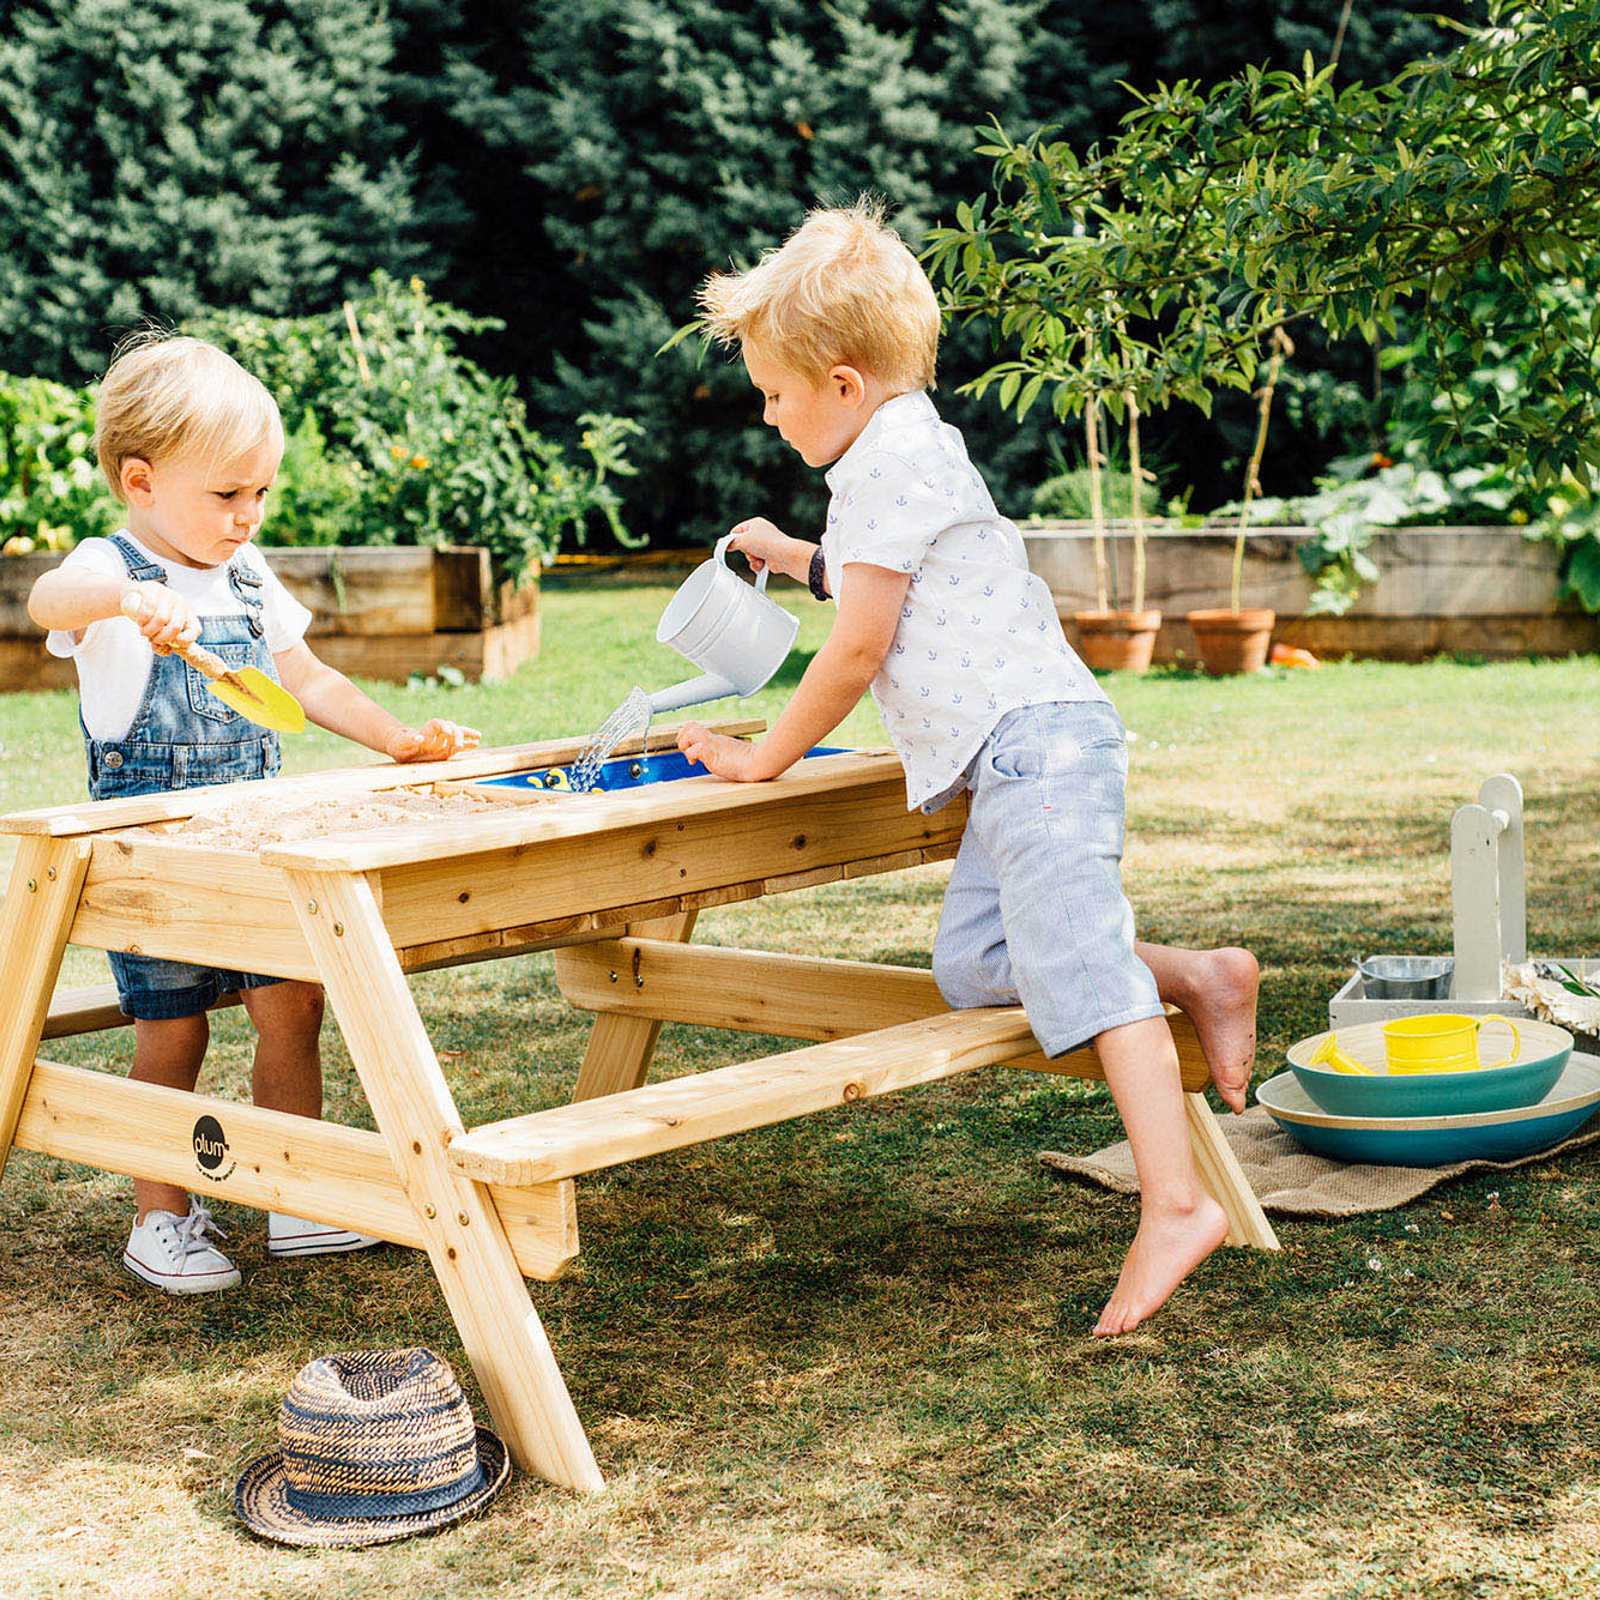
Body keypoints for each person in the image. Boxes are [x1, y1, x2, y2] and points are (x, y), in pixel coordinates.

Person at [677, 201, 1259, 1335]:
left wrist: (762, 760)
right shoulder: (897, 455)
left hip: (1034, 745)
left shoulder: (888, 463)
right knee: (980, 964)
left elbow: (859, 643)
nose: (766, 412)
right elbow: (874, 582)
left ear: (842, 384)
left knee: (1082, 974)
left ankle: (1175, 1200)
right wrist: (784, 551)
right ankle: (1198, 973)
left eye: (775, 394)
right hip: (1011, 757)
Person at [27, 333, 481, 1295]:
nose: (247, 516)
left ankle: (295, 1194)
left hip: (257, 846)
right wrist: (121, 598)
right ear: (141, 482)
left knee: (292, 1006)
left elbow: (304, 676)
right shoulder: (106, 570)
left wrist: (396, 738)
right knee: (176, 1030)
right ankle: (162, 1215)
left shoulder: (244, 574)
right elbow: (43, 599)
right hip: (155, 862)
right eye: (227, 495)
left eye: (259, 493)